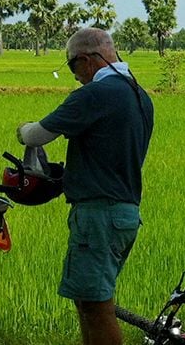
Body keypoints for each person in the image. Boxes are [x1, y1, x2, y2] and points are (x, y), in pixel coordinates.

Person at [17, 27, 155, 345]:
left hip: (99, 215)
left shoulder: (96, 94)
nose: (75, 76)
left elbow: (36, 135)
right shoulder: (138, 94)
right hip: (123, 212)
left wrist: (20, 130)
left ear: (87, 61)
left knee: (96, 306)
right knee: (88, 300)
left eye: (72, 66)